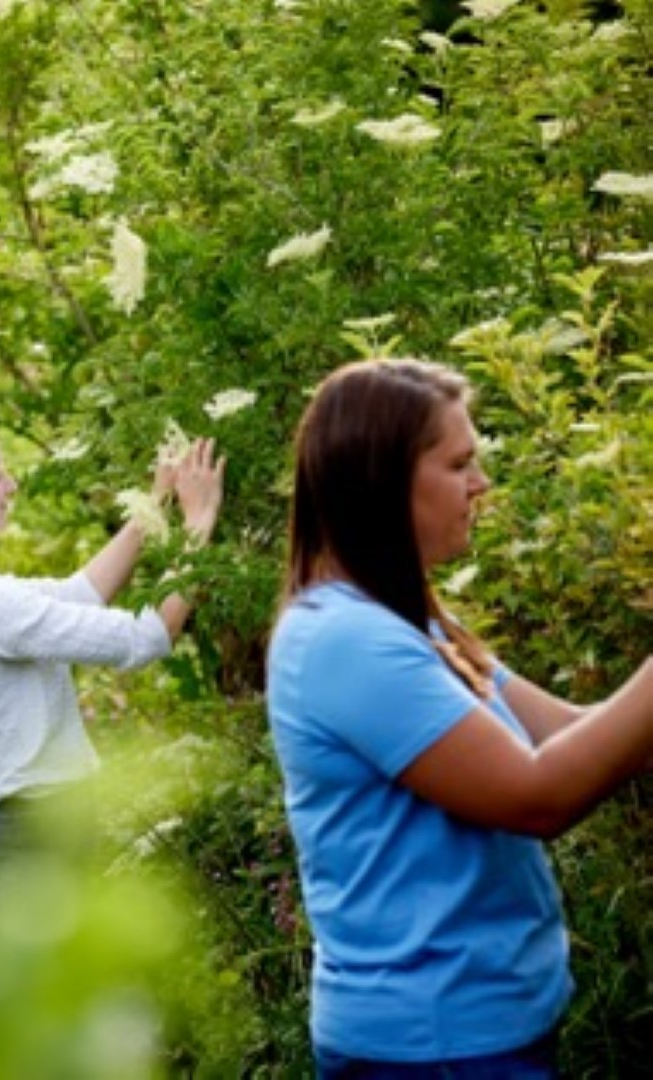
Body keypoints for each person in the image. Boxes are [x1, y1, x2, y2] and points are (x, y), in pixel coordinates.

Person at [266, 357, 653, 1077]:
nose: (481, 484)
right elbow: (538, 796)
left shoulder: (409, 625)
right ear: (384, 483)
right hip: (430, 1047)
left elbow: (574, 729)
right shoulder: (345, 640)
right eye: (459, 464)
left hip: (478, 1032)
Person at [0, 411, 226, 908]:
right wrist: (199, 523)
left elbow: (81, 593)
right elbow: (146, 639)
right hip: (29, 848)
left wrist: (153, 505)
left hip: (14, 839)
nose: (11, 484)